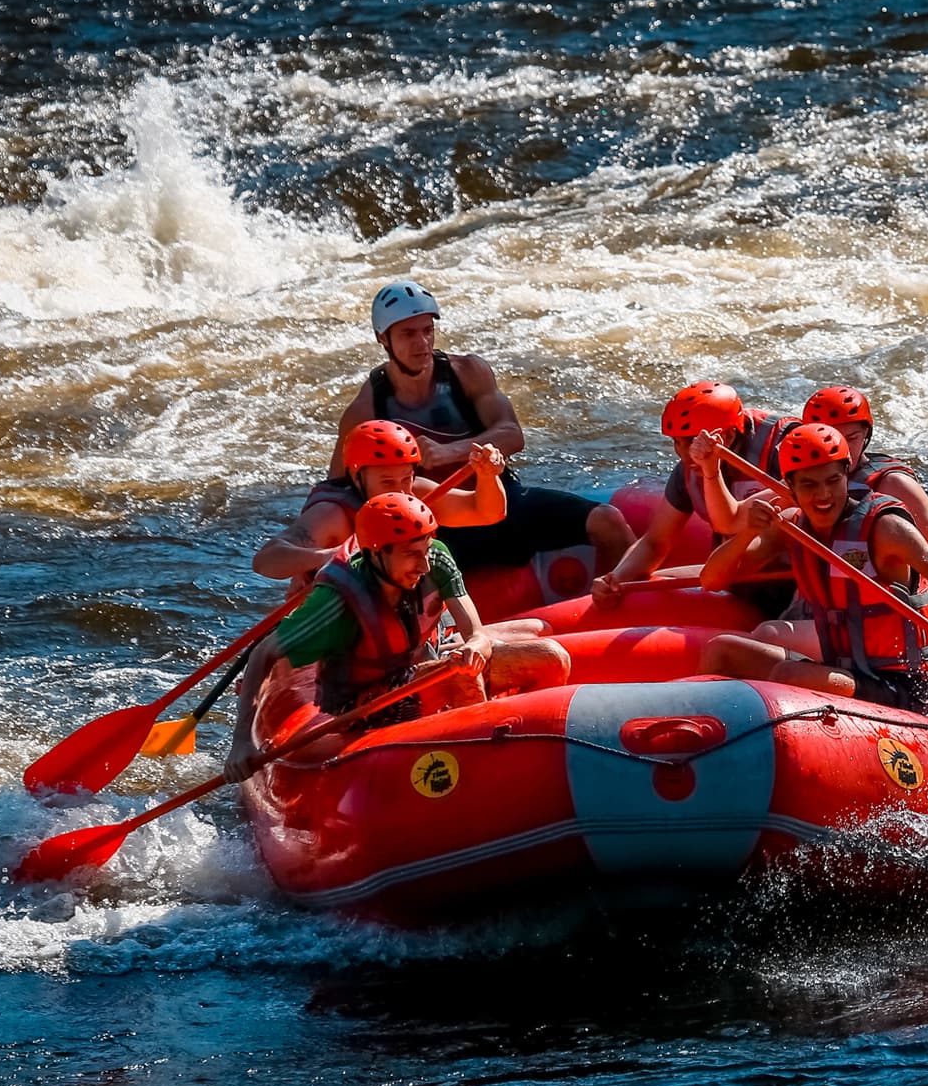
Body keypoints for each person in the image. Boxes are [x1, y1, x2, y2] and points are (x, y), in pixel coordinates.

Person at [227, 493, 569, 778]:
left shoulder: (435, 559)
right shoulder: (338, 602)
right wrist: (241, 740)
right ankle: (485, 773)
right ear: (377, 553)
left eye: (424, 551)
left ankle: (532, 748)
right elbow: (264, 653)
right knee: (463, 679)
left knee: (552, 656)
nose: (422, 566)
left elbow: (475, 632)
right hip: (368, 702)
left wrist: (477, 643)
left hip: (419, 664)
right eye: (410, 555)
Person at [329, 279, 632, 575]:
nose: (422, 344)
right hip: (433, 527)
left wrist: (451, 452)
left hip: (498, 501)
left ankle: (615, 606)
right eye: (408, 334)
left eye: (427, 331)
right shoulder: (365, 412)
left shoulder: (468, 373)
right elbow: (335, 493)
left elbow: (512, 434)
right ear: (383, 338)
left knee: (608, 521)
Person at [696, 424, 928, 714]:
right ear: (790, 487)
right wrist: (746, 533)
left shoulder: (885, 529)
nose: (823, 495)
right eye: (809, 485)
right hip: (839, 667)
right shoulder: (792, 526)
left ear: (845, 477)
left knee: (790, 674)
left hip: (899, 685)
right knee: (721, 650)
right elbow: (711, 579)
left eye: (832, 481)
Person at [590, 380, 796, 613]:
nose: (685, 455)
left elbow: (734, 526)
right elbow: (656, 542)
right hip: (733, 576)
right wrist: (616, 579)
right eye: (677, 442)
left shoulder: (785, 452)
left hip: (788, 582)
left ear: (726, 436)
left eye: (690, 441)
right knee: (643, 585)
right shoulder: (688, 470)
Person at [254, 419, 508, 590]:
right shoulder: (333, 515)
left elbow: (486, 512)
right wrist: (329, 556)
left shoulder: (415, 494)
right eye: (387, 481)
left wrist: (488, 477)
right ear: (357, 477)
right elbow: (266, 560)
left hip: (396, 615)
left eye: (406, 478)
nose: (400, 491)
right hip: (334, 627)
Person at [801, 385, 928, 571]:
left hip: (886, 591)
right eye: (831, 439)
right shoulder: (799, 482)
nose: (843, 449)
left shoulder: (892, 483)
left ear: (866, 434)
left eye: (851, 438)